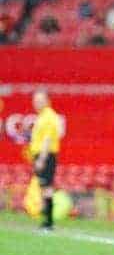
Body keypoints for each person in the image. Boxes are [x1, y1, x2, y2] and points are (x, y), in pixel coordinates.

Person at [30, 91, 61, 230]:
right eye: (35, 100)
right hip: (41, 154)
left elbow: (47, 139)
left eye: (40, 100)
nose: (37, 103)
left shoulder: (49, 116)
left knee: (47, 187)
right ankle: (47, 220)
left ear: (48, 101)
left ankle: (49, 221)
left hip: (46, 155)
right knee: (44, 188)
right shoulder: (42, 116)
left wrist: (42, 158)